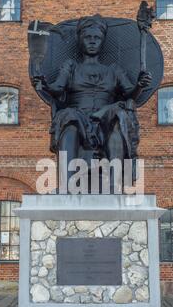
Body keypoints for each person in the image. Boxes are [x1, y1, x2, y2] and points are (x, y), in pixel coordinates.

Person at [32, 15, 152, 182]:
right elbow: (57, 89)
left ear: (102, 41)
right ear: (80, 39)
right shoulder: (71, 66)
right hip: (77, 114)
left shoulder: (113, 70)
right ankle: (67, 185)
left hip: (106, 116)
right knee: (67, 119)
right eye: (88, 37)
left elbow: (130, 95)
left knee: (119, 117)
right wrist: (44, 83)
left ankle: (114, 185)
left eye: (97, 38)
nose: (92, 41)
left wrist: (139, 85)